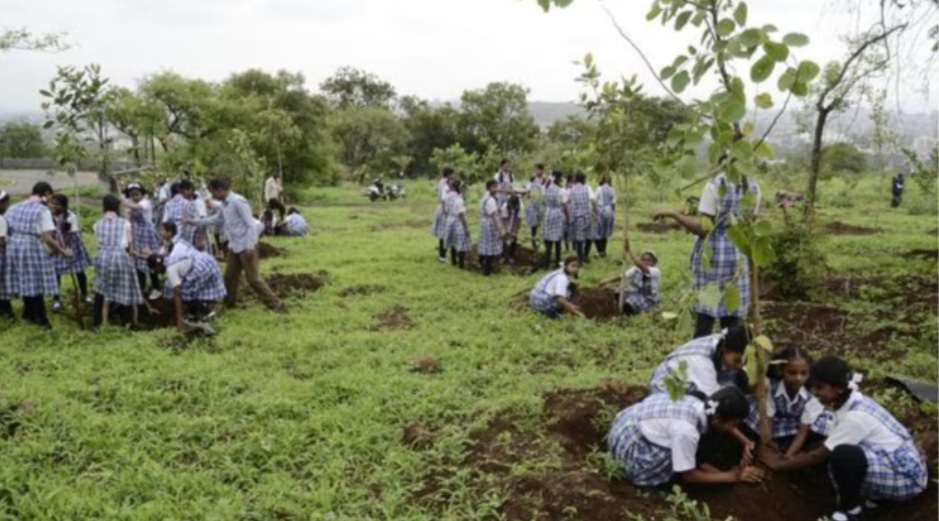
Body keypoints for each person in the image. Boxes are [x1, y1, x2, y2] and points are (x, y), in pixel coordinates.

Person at [758, 357, 928, 521]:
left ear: (838, 388)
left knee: (842, 455)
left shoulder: (855, 417)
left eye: (820, 387)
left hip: (907, 481)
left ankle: (852, 510)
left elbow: (819, 455)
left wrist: (779, 465)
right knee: (836, 449)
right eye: (813, 387)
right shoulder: (854, 401)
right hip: (899, 465)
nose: (815, 393)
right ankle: (875, 499)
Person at [654, 171, 761, 338]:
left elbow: (704, 229)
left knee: (706, 313)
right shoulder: (753, 185)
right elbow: (751, 223)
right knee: (732, 314)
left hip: (713, 256)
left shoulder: (714, 184)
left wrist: (674, 214)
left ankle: (700, 355)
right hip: (739, 256)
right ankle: (729, 356)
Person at [606, 386, 764, 488]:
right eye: (733, 424)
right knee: (679, 470)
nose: (733, 428)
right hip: (630, 453)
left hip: (621, 428)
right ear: (717, 419)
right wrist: (732, 477)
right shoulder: (687, 431)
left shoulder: (695, 401)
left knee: (691, 450)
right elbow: (689, 476)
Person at [189, 178, 284, 312]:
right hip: (234, 246)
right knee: (229, 277)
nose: (213, 196)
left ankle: (276, 304)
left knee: (253, 279)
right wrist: (194, 222)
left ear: (220, 190)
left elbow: (250, 224)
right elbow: (216, 219)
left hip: (246, 246)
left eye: (214, 193)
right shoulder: (225, 204)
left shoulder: (238, 201)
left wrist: (250, 246)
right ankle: (229, 304)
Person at [2, 182, 73, 328]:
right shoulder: (43, 211)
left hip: (14, 245)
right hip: (30, 246)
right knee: (35, 282)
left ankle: (28, 313)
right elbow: (47, 236)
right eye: (50, 196)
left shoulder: (14, 207)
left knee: (24, 279)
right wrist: (63, 250)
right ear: (46, 194)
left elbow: (7, 228)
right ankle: (41, 320)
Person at [745, 347, 832, 457]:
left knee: (820, 428)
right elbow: (768, 419)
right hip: (776, 420)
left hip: (799, 423)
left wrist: (787, 457)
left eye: (803, 373)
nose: (798, 378)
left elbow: (803, 430)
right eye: (792, 373)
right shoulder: (771, 387)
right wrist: (767, 444)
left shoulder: (813, 394)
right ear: (781, 371)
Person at [148, 222, 227, 332]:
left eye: (155, 270)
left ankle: (205, 312)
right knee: (176, 288)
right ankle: (199, 311)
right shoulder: (170, 248)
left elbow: (178, 293)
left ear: (157, 265)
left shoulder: (171, 266)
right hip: (204, 260)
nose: (157, 273)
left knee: (183, 291)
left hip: (202, 268)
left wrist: (179, 319)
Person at [92, 195, 148, 328]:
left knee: (101, 289)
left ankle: (97, 322)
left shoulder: (97, 225)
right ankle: (127, 321)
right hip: (120, 256)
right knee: (125, 288)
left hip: (102, 257)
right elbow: (129, 247)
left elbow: (99, 244)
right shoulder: (125, 223)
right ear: (117, 207)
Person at [49, 194, 92, 312]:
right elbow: (47, 233)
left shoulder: (71, 216)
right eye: (52, 203)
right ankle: (56, 300)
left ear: (64, 206)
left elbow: (68, 234)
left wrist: (63, 248)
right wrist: (54, 247)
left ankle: (85, 295)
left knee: (79, 271)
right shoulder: (48, 216)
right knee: (56, 274)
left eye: (57, 204)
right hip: (55, 246)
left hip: (71, 246)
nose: (53, 206)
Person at [122, 183, 163, 299]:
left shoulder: (145, 203)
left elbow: (137, 207)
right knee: (137, 260)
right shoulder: (129, 206)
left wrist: (124, 201)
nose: (135, 197)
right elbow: (128, 220)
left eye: (137, 194)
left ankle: (156, 288)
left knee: (150, 259)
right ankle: (142, 286)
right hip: (136, 233)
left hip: (147, 234)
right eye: (132, 195)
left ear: (142, 194)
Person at [612, 245, 661, 316]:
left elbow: (642, 267)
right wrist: (605, 281)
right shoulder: (636, 269)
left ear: (654, 262)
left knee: (630, 304)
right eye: (643, 260)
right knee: (617, 292)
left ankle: (627, 312)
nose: (646, 262)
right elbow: (622, 276)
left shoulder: (655, 271)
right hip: (634, 293)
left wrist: (630, 252)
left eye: (649, 260)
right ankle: (621, 307)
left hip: (648, 299)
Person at [478, 180, 506, 276]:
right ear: (489, 188)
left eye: (496, 186)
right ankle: (487, 271)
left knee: (485, 244)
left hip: (484, 222)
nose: (496, 189)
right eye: (494, 187)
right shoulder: (491, 201)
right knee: (490, 247)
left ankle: (481, 263)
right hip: (490, 223)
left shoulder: (485, 197)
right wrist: (500, 229)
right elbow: (494, 216)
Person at [568, 172, 596, 265]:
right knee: (589, 236)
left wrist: (570, 217)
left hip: (577, 216)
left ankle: (579, 258)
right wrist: (596, 213)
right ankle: (586, 255)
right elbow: (592, 200)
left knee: (579, 238)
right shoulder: (588, 188)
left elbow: (570, 203)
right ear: (584, 179)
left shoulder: (572, 189)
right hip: (588, 214)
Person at [541, 171, 567, 270]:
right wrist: (568, 217)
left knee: (548, 239)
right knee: (557, 240)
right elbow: (564, 205)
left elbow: (543, 196)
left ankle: (547, 262)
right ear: (560, 178)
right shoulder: (561, 190)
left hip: (548, 213)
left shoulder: (546, 188)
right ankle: (557, 262)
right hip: (557, 213)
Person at [443, 180, 471, 269]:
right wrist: (466, 228)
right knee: (461, 243)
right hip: (458, 222)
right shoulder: (459, 200)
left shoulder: (448, 197)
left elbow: (446, 210)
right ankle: (461, 264)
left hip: (450, 220)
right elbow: (462, 215)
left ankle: (454, 261)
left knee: (453, 241)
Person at [162, 180, 197, 245]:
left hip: (171, 233)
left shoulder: (168, 204)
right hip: (184, 234)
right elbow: (191, 220)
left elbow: (165, 220)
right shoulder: (187, 203)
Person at [431, 168, 453, 263]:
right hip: (444, 209)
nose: (454, 176)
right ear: (448, 174)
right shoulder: (445, 184)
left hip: (443, 208)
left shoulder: (443, 182)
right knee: (444, 234)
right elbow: (444, 199)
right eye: (452, 174)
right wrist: (446, 211)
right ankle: (442, 257)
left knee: (444, 234)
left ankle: (443, 255)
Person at [525, 165, 546, 251]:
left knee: (541, 224)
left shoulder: (546, 180)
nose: (538, 172)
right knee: (533, 224)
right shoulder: (532, 179)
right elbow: (528, 190)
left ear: (543, 171)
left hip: (542, 204)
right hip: (533, 204)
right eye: (536, 170)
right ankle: (533, 242)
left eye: (539, 170)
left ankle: (540, 242)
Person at [595, 175, 616, 257]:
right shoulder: (612, 189)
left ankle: (600, 250)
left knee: (597, 232)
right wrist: (612, 212)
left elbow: (594, 200)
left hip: (600, 210)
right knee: (605, 232)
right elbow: (614, 203)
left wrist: (595, 211)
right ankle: (603, 251)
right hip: (609, 210)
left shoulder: (599, 189)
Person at [0, 191, 12, 320]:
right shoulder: (1, 219)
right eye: (7, 203)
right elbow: (1, 241)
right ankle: (7, 313)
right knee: (2, 285)